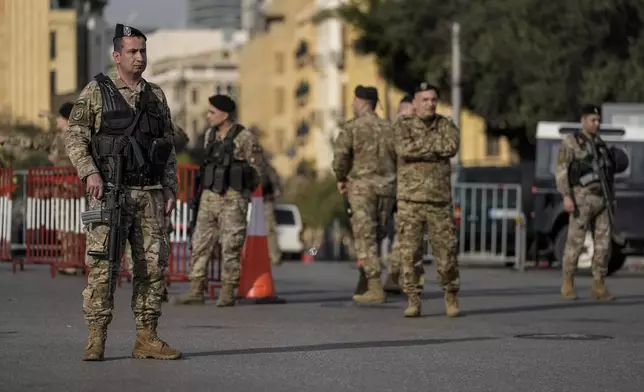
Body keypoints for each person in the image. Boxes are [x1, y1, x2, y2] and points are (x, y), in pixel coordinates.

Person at [64, 23, 180, 361]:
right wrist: (90, 174)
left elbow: (166, 145)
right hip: (109, 194)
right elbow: (75, 137)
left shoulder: (156, 95)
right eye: (132, 51)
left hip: (150, 194)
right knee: (103, 266)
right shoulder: (96, 91)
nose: (139, 57)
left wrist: (170, 186)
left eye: (143, 51)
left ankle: (147, 337)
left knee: (152, 267)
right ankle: (96, 338)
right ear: (117, 55)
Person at [173, 94, 264, 307]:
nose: (208, 116)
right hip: (209, 196)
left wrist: (242, 188)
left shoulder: (245, 137)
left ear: (224, 115)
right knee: (199, 243)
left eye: (212, 112)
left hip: (233, 197)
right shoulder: (210, 135)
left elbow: (257, 169)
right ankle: (196, 289)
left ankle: (228, 290)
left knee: (231, 245)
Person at [393, 82, 460, 318]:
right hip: (410, 201)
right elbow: (403, 149)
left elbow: (451, 146)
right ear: (414, 103)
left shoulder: (446, 125)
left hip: (439, 201)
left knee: (447, 252)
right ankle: (413, 299)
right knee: (410, 253)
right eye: (425, 100)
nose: (430, 104)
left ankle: (450, 294)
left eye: (433, 99)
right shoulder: (402, 126)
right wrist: (434, 148)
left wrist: (420, 147)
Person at [556, 104, 628, 301]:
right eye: (592, 120)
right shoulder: (571, 142)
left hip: (602, 199)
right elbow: (562, 170)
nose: (596, 124)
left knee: (604, 244)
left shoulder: (600, 144)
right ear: (583, 121)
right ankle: (568, 282)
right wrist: (566, 196)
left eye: (597, 121)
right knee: (575, 242)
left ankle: (599, 284)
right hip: (581, 198)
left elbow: (608, 173)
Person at [332, 85, 397, 304]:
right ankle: (365, 281)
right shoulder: (390, 127)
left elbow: (341, 156)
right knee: (377, 234)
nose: (352, 105)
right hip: (387, 188)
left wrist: (341, 178)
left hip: (362, 188)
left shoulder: (352, 128)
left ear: (361, 102)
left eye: (354, 101)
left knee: (364, 236)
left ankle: (376, 286)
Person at [383, 93, 425, 294]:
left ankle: (398, 276)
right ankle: (373, 278)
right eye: (404, 115)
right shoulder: (388, 135)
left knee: (406, 236)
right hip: (388, 192)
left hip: (406, 193)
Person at [261, 152, 283, 265]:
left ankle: (274, 255)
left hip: (265, 200)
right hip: (260, 200)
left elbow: (275, 181)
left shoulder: (266, 167)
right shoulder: (267, 167)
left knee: (270, 228)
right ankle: (274, 255)